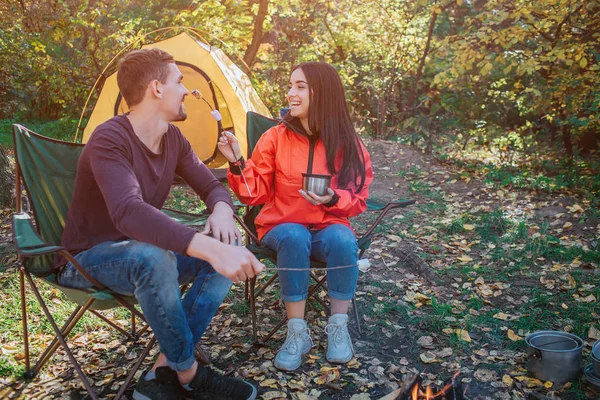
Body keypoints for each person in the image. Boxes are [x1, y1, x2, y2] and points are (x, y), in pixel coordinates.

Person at [55, 48, 264, 400]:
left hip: (142, 254)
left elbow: (212, 186)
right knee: (155, 257)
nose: (185, 91)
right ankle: (192, 374)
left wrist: (222, 211)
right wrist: (208, 247)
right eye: (179, 82)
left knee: (216, 251)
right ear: (156, 88)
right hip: (85, 260)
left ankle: (164, 370)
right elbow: (128, 212)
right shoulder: (109, 139)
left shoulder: (173, 139)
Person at [218, 61, 373, 371]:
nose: (291, 94)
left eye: (300, 87)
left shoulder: (347, 143)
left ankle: (338, 328)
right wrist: (237, 162)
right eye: (290, 86)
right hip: (281, 226)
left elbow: (358, 198)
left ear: (323, 94)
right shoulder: (275, 137)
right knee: (294, 235)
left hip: (327, 224)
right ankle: (296, 333)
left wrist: (331, 198)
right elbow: (254, 193)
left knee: (344, 238)